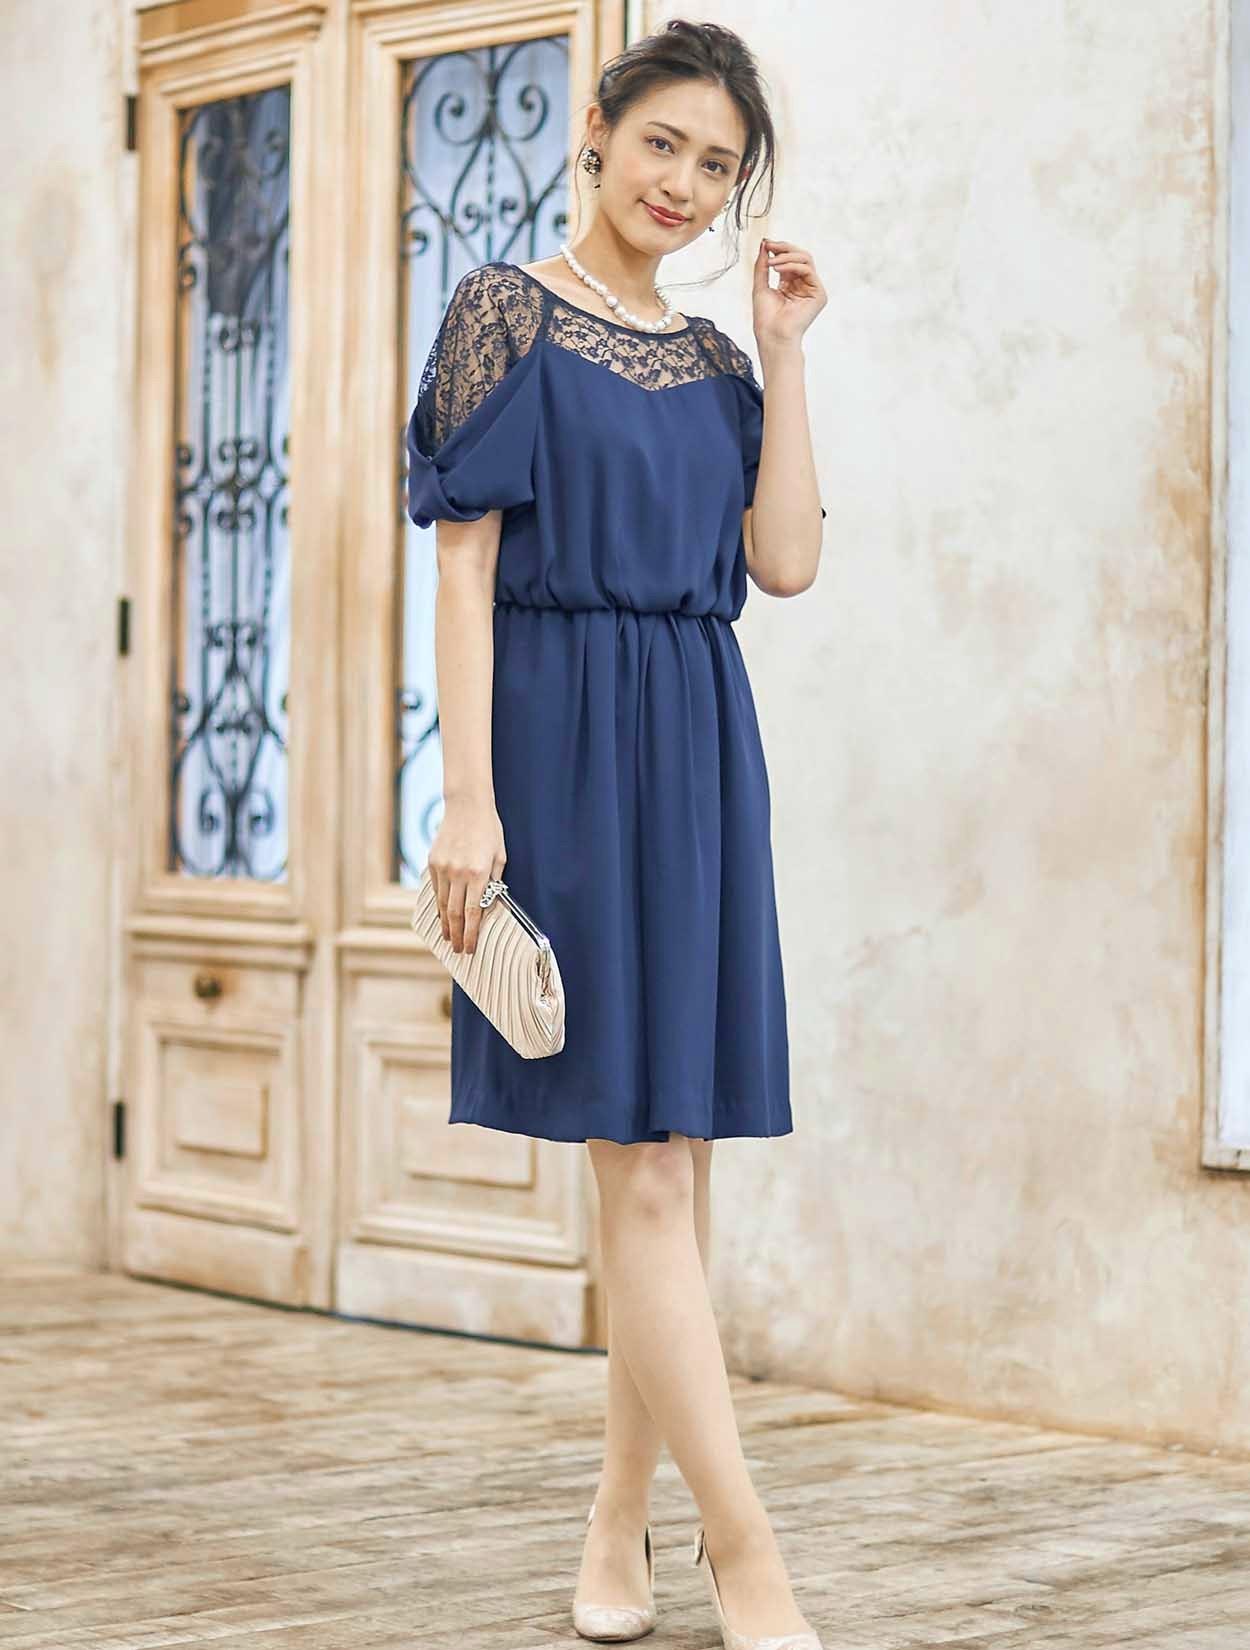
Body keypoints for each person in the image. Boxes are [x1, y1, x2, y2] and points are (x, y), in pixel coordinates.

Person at [405, 18, 826, 1649]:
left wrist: (785, 351)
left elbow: (782, 561)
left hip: (699, 746)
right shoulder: (503, 310)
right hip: (562, 747)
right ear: (597, 129)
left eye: (718, 165)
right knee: (640, 1164)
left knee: (678, 1159)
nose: (685, 184)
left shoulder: (717, 363)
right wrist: (469, 796)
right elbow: (460, 569)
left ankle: (614, 1518)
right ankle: (746, 1548)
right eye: (664, 144)